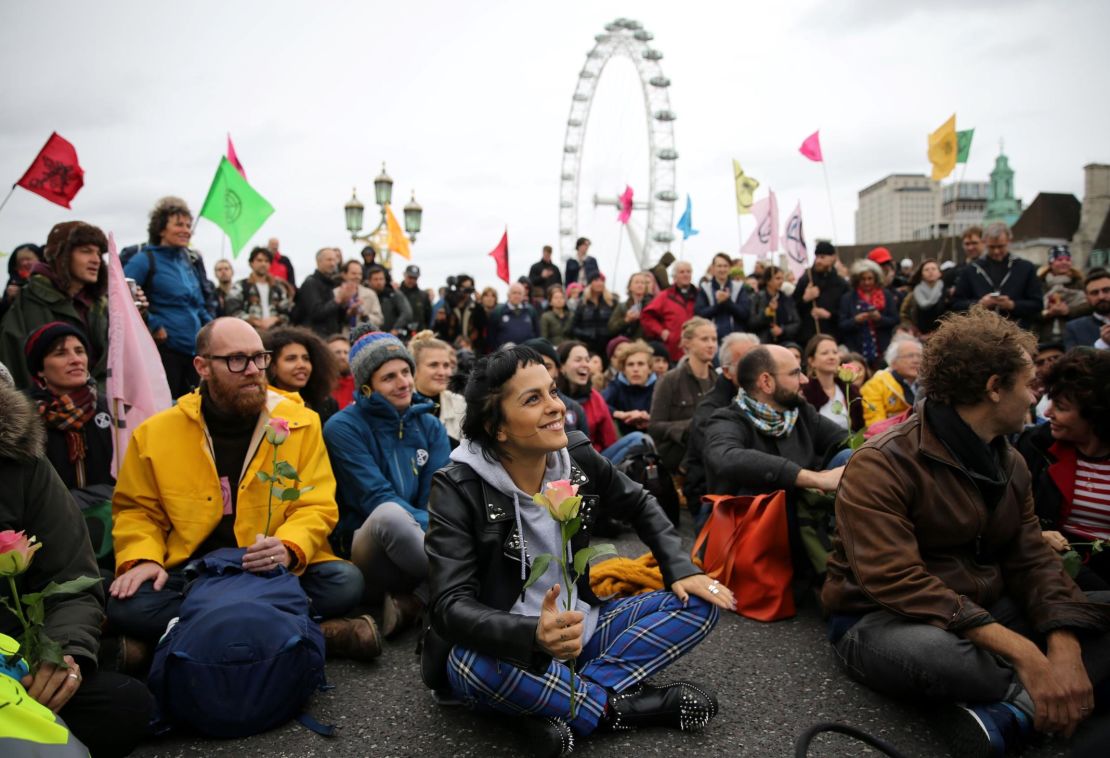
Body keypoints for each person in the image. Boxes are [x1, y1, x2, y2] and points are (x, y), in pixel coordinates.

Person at [821, 307, 1110, 756]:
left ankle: (1014, 711)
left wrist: (1064, 643)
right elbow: (896, 580)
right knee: (936, 656)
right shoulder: (882, 461)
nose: (1038, 401)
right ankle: (1043, 699)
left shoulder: (1010, 461)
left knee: (1099, 610)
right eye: (1029, 385)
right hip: (884, 620)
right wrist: (1027, 653)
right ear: (994, 388)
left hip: (982, 608)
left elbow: (1032, 557)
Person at [422, 346, 730, 751]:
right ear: (498, 428)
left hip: (580, 626)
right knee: (469, 665)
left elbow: (639, 502)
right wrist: (533, 634)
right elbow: (450, 606)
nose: (555, 407)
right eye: (533, 399)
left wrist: (681, 567)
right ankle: (621, 709)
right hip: (509, 647)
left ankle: (553, 705)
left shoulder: (576, 456)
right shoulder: (457, 486)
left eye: (552, 391)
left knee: (701, 600)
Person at [108, 318, 375, 658]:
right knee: (127, 603)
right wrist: (142, 557)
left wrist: (289, 547)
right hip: (195, 570)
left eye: (259, 357)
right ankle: (310, 632)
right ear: (202, 366)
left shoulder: (301, 421)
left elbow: (316, 503)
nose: (253, 370)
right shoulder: (156, 432)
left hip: (268, 569)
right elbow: (136, 510)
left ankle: (177, 637)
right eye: (236, 359)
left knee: (345, 582)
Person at [0, 376, 153, 758]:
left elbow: (70, 577)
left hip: (17, 656)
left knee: (125, 706)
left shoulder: (20, 463)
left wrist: (65, 654)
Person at [323, 329, 450, 638]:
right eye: (389, 377)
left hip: (421, 546)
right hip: (369, 550)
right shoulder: (342, 428)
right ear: (366, 387)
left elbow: (439, 496)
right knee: (389, 515)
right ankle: (460, 589)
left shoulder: (430, 424)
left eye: (406, 371)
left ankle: (416, 601)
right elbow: (374, 498)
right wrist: (446, 533)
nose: (404, 382)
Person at [1017, 348, 1110, 588]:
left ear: (1095, 416)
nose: (1048, 414)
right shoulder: (1037, 446)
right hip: (1057, 568)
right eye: (1051, 402)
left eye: (1061, 407)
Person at [1, 222, 109, 394]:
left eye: (98, 253)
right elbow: (18, 368)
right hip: (49, 412)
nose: (96, 260)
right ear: (62, 255)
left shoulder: (101, 304)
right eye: (86, 251)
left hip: (101, 409)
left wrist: (141, 316)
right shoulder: (31, 300)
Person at [124, 197, 212, 398]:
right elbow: (121, 293)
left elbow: (197, 305)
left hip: (194, 353)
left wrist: (214, 328)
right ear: (161, 229)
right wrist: (154, 324)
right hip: (164, 351)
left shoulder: (189, 262)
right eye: (179, 224)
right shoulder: (144, 259)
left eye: (189, 225)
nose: (186, 230)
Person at [24, 323, 114, 490]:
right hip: (49, 514)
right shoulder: (23, 418)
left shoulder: (110, 408)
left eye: (80, 351)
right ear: (40, 370)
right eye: (60, 354)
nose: (76, 360)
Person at [681, 332, 760, 511]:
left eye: (760, 359)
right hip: (712, 496)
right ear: (726, 371)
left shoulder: (768, 399)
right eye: (746, 363)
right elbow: (724, 462)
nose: (757, 368)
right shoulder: (710, 409)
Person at [647, 318, 718, 477]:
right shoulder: (669, 380)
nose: (711, 344)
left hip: (711, 456)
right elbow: (654, 427)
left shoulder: (718, 382)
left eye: (714, 339)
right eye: (704, 339)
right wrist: (691, 426)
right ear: (687, 343)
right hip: (676, 457)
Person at [557, 340, 649, 464]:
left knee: (640, 439)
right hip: (564, 464)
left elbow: (609, 440)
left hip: (597, 460)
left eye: (587, 360)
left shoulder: (595, 397)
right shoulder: (553, 399)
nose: (585, 364)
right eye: (578, 360)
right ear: (562, 367)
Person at [952, 221, 1043, 330]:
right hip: (981, 334)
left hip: (1017, 333)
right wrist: (980, 304)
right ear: (984, 242)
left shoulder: (1025, 268)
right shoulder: (971, 270)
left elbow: (1038, 304)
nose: (996, 251)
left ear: (1009, 241)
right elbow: (956, 304)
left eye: (1001, 246)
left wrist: (1013, 305)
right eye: (992, 247)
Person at [263, 326, 341, 425]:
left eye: (306, 358)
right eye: (291, 359)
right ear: (272, 367)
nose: (302, 365)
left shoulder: (326, 405)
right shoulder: (263, 407)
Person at [838, 258, 899, 369]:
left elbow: (895, 320)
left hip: (883, 350)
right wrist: (856, 320)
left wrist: (880, 318)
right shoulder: (848, 298)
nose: (867, 282)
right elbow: (842, 324)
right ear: (857, 280)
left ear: (876, 279)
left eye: (870, 278)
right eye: (863, 279)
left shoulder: (886, 295)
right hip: (856, 351)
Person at [411, 331, 466, 446]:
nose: (442, 372)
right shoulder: (401, 405)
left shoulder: (459, 404)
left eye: (446, 365)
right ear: (415, 369)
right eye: (433, 365)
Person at [802, 334, 864, 433]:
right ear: (811, 361)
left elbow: (860, 428)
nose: (832, 357)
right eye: (824, 353)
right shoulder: (805, 393)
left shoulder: (851, 390)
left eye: (835, 352)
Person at [794, 241, 849, 346]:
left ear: (833, 258)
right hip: (808, 339)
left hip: (833, 338)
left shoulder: (841, 284)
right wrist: (805, 299)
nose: (818, 261)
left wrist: (829, 315)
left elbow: (846, 313)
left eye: (822, 257)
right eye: (817, 257)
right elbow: (793, 308)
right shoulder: (806, 280)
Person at [641, 261, 697, 363]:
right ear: (674, 277)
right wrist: (660, 331)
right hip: (672, 353)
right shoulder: (665, 296)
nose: (686, 274)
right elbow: (646, 316)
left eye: (688, 272)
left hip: (695, 351)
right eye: (682, 272)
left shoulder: (698, 295)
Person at [860, 337, 923, 428]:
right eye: (910, 356)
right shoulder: (875, 386)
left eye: (919, 356)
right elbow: (876, 427)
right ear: (893, 362)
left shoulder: (928, 383)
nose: (916, 361)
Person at [227, 247, 294, 331]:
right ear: (251, 263)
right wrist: (255, 321)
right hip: (249, 333)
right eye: (259, 260)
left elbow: (288, 311)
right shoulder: (240, 286)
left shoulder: (278, 288)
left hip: (275, 334)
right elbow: (232, 311)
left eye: (266, 261)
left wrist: (276, 318)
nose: (263, 264)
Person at [293, 247, 354, 338]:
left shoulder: (332, 283)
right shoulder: (310, 283)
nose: (333, 263)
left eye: (334, 260)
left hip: (333, 336)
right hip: (316, 338)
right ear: (318, 262)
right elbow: (316, 313)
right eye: (329, 260)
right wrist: (337, 300)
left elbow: (337, 317)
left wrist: (346, 307)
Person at [601, 340, 656, 436]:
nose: (635, 369)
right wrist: (621, 415)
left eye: (640, 364)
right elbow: (599, 405)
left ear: (650, 368)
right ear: (623, 369)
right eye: (630, 364)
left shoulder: (660, 386)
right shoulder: (616, 386)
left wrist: (651, 420)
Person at [695, 252, 752, 341]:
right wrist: (718, 305)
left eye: (725, 266)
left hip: (734, 339)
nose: (722, 269)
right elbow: (699, 314)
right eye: (719, 266)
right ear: (713, 268)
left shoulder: (739, 287)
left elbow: (745, 314)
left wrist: (727, 302)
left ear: (730, 268)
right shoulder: (705, 288)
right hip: (712, 339)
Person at [1038, 245, 1088, 342]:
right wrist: (1047, 313)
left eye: (1067, 259)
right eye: (1059, 259)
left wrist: (1068, 311)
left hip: (1074, 335)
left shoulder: (1080, 283)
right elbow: (1031, 309)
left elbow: (1090, 305)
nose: (1064, 262)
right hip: (1045, 336)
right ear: (1051, 263)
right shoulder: (1039, 284)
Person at [750, 265, 800, 345]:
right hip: (764, 342)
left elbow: (796, 322)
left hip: (784, 342)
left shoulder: (786, 299)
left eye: (782, 278)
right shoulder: (756, 298)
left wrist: (782, 330)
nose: (781, 281)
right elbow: (752, 323)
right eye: (777, 278)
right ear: (768, 280)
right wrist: (768, 312)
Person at [570, 272, 615, 361]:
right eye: (596, 280)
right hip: (588, 345)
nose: (599, 283)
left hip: (607, 345)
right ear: (590, 283)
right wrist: (586, 334)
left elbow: (615, 324)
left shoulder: (611, 303)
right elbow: (573, 327)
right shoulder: (582, 305)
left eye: (602, 280)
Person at [899, 258, 948, 337]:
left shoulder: (947, 292)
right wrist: (914, 330)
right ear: (921, 274)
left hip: (944, 335)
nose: (930, 271)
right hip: (920, 336)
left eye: (933, 269)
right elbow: (904, 314)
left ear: (940, 273)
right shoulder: (913, 294)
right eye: (926, 269)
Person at [1065, 268, 1110, 350]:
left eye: (1106, 290)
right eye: (1094, 293)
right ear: (1086, 297)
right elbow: (1073, 361)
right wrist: (1102, 344)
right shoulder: (1075, 328)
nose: (1101, 296)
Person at [488, 282, 540, 351]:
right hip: (505, 355)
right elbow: (491, 335)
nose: (517, 296)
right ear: (508, 295)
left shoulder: (530, 310)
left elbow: (537, 333)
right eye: (514, 293)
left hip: (527, 354)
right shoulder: (499, 311)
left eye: (519, 293)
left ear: (523, 295)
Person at [336, 259, 384, 331]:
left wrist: (364, 315)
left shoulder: (370, 294)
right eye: (354, 273)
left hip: (364, 338)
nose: (357, 277)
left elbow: (379, 319)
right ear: (344, 275)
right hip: (343, 336)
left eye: (360, 274)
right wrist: (348, 312)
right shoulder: (335, 293)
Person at [367, 265, 414, 335]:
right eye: (375, 279)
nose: (379, 282)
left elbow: (407, 313)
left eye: (381, 279)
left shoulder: (393, 294)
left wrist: (396, 328)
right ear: (369, 281)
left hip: (389, 335)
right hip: (369, 335)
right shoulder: (365, 295)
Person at [0, 242, 42, 319]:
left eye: (28, 259)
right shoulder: (13, 282)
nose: (24, 263)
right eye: (20, 261)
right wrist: (9, 299)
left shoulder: (49, 278)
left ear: (39, 260)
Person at [608, 271, 654, 342]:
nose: (640, 285)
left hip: (647, 344)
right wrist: (626, 320)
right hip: (627, 343)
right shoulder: (622, 306)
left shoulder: (652, 305)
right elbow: (611, 329)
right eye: (637, 282)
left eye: (642, 283)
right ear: (630, 287)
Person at [942, 225, 983, 292]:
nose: (970, 248)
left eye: (974, 243)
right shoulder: (954, 272)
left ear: (984, 242)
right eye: (967, 244)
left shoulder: (992, 268)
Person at [399, 264, 432, 331]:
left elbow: (428, 316)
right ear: (404, 275)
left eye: (415, 278)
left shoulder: (424, 296)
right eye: (410, 277)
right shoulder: (395, 294)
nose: (412, 280)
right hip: (398, 334)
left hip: (418, 334)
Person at [327, 333, 355, 410]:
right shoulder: (320, 385)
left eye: (346, 352)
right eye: (337, 352)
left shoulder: (359, 384)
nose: (342, 357)